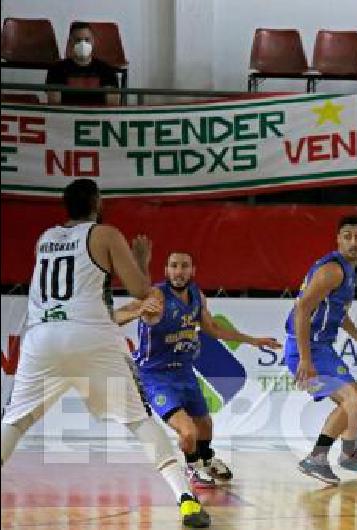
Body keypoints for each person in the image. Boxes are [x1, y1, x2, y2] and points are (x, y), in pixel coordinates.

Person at [0, 179, 210, 528]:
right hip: (91, 337)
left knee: (15, 422)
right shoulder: (105, 234)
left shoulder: (44, 239)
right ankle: (185, 500)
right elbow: (143, 291)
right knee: (138, 420)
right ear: (96, 203)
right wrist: (142, 260)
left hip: (41, 337)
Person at [113, 250, 281, 488]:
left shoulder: (197, 296)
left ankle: (207, 458)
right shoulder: (156, 296)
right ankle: (191, 468)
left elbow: (213, 329)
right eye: (174, 266)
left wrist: (252, 340)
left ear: (193, 271)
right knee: (188, 432)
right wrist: (136, 312)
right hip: (156, 377)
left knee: (205, 425)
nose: (179, 271)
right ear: (166, 270)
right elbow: (114, 316)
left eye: (184, 266)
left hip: (184, 371)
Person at [285, 216, 357, 486]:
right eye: (348, 236)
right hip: (305, 348)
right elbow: (302, 311)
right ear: (338, 240)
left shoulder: (347, 272)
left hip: (321, 348)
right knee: (352, 400)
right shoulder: (333, 270)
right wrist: (305, 359)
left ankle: (349, 453)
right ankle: (317, 458)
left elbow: (337, 312)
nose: (353, 242)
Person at [46, 22, 120, 105]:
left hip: (96, 117)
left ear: (93, 41)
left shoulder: (107, 70)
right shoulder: (56, 70)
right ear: (70, 42)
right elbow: (55, 105)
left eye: (87, 40)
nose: (83, 44)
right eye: (78, 40)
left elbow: (112, 105)